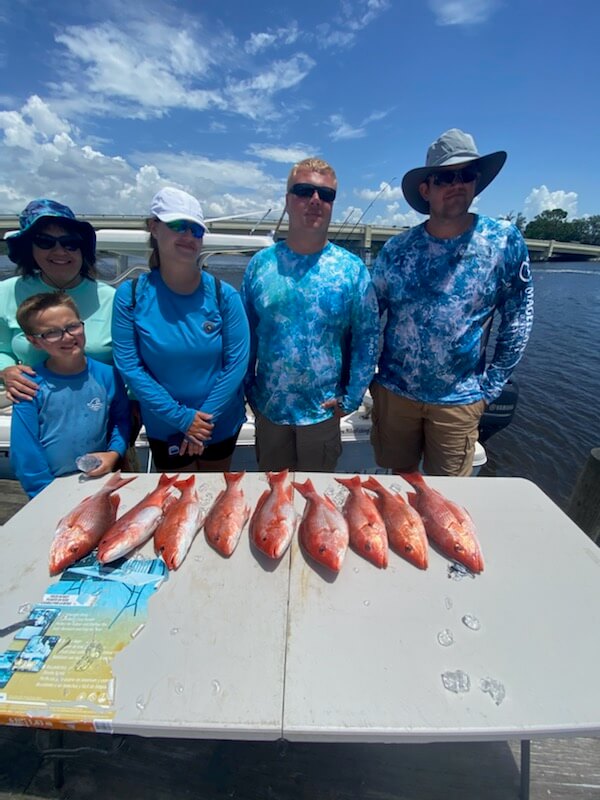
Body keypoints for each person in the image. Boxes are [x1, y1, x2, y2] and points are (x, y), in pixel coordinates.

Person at [371, 128, 534, 476]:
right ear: (426, 189)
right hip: (394, 396)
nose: (457, 184)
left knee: (448, 499)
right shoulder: (397, 250)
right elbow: (369, 318)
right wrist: (366, 379)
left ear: (476, 183)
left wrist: (490, 387)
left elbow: (518, 317)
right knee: (396, 492)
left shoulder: (503, 241)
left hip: (460, 400)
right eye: (445, 177)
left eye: (466, 175)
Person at [241, 157, 379, 472]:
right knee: (273, 503)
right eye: (304, 191)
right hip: (269, 410)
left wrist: (353, 395)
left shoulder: (351, 269)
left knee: (315, 502)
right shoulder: (260, 265)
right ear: (288, 200)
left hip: (322, 414)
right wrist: (247, 388)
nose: (315, 200)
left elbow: (367, 336)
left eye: (325, 194)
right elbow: (245, 335)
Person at [112, 186, 250, 473]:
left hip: (220, 422)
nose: (188, 236)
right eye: (177, 225)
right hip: (166, 425)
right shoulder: (130, 295)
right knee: (178, 507)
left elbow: (236, 363)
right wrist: (182, 419)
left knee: (216, 501)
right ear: (154, 227)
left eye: (196, 230)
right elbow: (130, 366)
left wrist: (202, 420)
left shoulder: (225, 295)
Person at [10, 292, 130, 498]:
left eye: (72, 326)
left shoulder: (108, 375)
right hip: (48, 487)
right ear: (34, 341)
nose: (67, 336)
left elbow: (121, 421)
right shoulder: (28, 385)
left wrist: (114, 453)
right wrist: (43, 493)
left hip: (98, 481)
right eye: (52, 333)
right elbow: (25, 451)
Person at [0, 199, 115, 403]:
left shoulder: (112, 299)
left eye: (70, 243)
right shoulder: (7, 292)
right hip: (34, 404)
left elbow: (131, 362)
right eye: (45, 242)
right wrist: (6, 370)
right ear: (29, 247)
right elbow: (2, 350)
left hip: (99, 407)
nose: (60, 251)